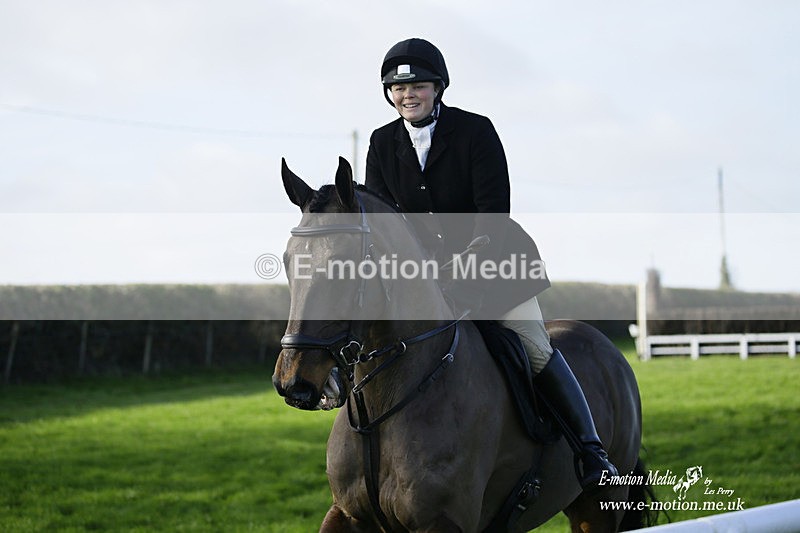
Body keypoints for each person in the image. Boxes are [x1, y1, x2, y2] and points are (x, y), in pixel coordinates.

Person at [364, 37, 618, 490]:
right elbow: (386, 222)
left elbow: (492, 212)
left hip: (497, 264)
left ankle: (591, 451)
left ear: (438, 87)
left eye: (417, 86)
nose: (407, 96)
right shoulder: (382, 142)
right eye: (397, 89)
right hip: (427, 276)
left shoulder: (475, 130)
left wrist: (465, 278)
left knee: (533, 346)